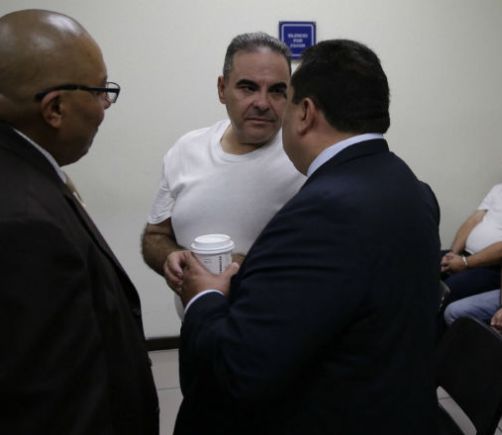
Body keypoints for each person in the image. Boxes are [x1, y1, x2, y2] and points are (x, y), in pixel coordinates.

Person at [173, 39, 440, 435]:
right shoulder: (411, 187)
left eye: (286, 98)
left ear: (305, 113)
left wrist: (204, 296)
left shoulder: (323, 213)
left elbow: (239, 368)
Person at [0, 10, 158, 434]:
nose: (106, 105)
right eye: (100, 90)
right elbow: (56, 408)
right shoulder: (27, 225)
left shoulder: (21, 174)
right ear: (55, 108)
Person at [141, 32, 305, 303]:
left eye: (277, 90)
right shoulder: (186, 149)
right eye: (248, 87)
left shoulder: (304, 159)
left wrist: (245, 268)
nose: (262, 103)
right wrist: (170, 257)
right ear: (222, 89)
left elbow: (326, 253)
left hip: (280, 325)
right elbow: (155, 235)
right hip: (197, 323)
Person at [440, 184, 502, 305]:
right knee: (424, 264)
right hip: (464, 256)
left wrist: (465, 263)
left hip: (492, 267)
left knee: (449, 288)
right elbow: (473, 220)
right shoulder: (498, 189)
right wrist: (452, 254)